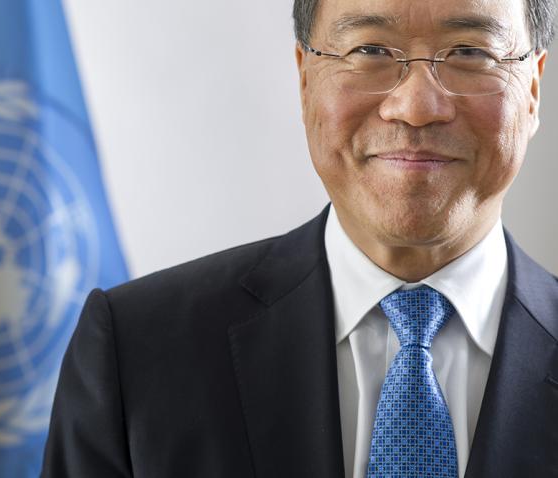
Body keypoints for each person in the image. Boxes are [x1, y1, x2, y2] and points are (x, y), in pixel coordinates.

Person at [41, 0, 558, 476]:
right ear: (305, 78)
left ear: (533, 88)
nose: (417, 106)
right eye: (370, 50)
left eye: (469, 52)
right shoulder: (136, 350)